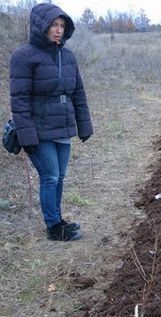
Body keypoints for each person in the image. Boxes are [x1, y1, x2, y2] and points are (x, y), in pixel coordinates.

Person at [9, 3, 93, 241]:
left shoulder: (67, 56)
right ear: (41, 26)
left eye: (62, 25)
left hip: (63, 125)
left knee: (61, 176)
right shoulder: (23, 56)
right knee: (51, 176)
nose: (58, 30)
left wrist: (84, 125)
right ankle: (53, 227)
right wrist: (27, 136)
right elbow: (20, 100)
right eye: (53, 25)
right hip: (38, 128)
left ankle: (58, 219)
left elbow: (78, 92)